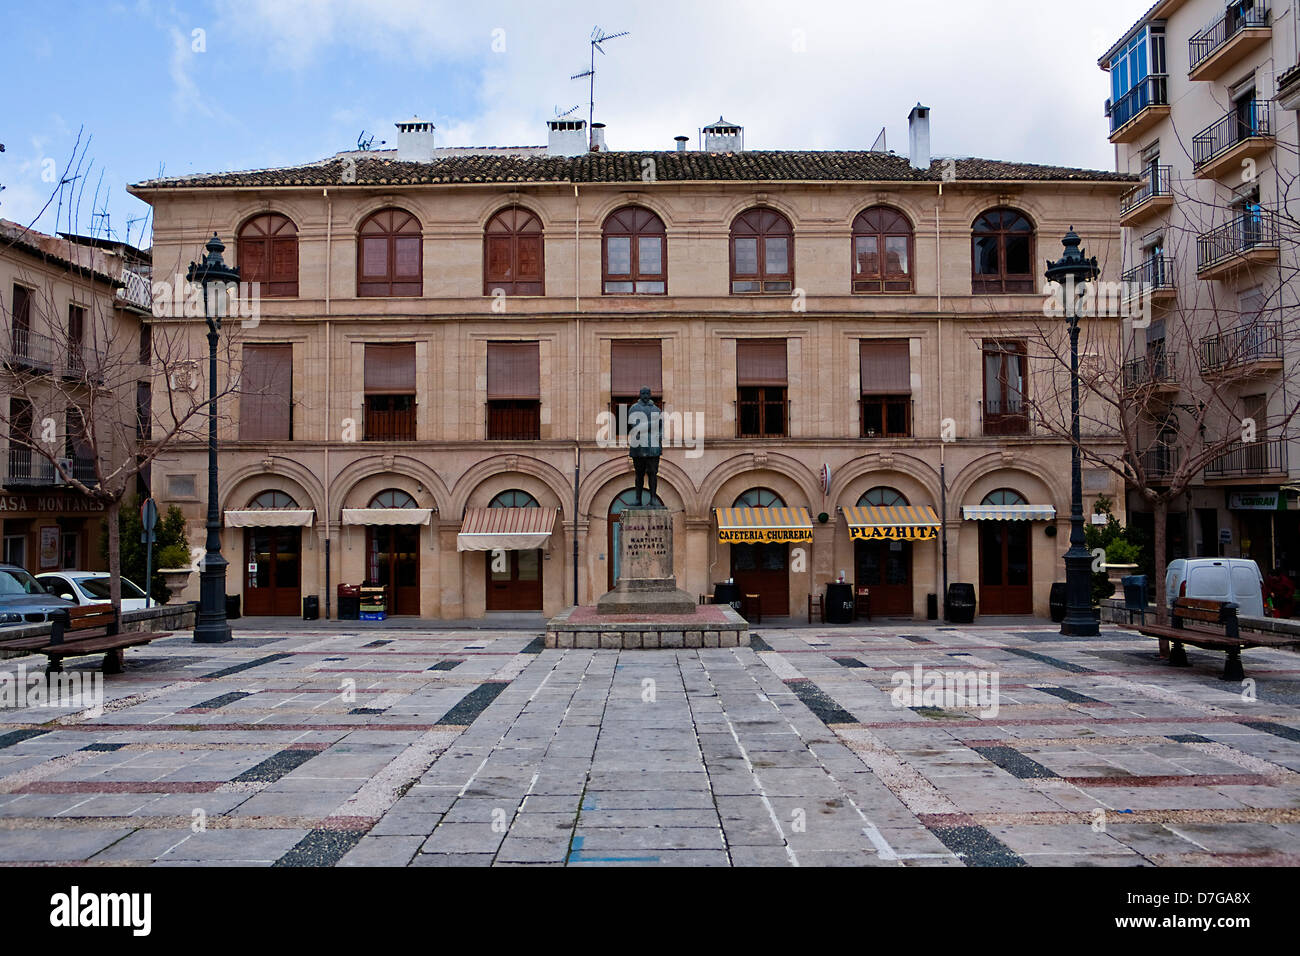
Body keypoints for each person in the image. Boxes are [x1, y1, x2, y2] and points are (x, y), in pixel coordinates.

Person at [626, 386, 662, 506]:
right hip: (639, 446)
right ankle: (638, 499)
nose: (646, 395)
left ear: (650, 394)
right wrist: (653, 424)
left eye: (648, 393)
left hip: (653, 447)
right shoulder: (634, 408)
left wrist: (659, 435)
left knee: (653, 473)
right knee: (639, 474)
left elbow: (661, 427)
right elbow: (636, 427)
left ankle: (653, 498)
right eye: (643, 393)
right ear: (640, 394)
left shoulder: (656, 409)